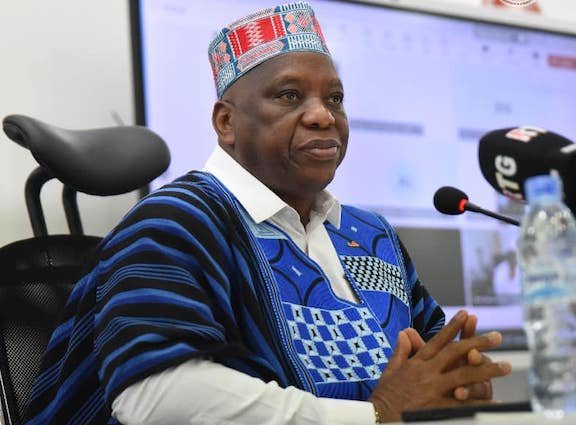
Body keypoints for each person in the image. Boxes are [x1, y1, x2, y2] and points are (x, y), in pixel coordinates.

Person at [24, 2, 511, 424]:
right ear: (227, 122)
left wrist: (454, 383)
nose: (323, 115)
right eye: (290, 95)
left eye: (335, 98)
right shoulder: (176, 222)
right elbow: (154, 396)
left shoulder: (371, 233)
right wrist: (376, 413)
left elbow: (429, 364)